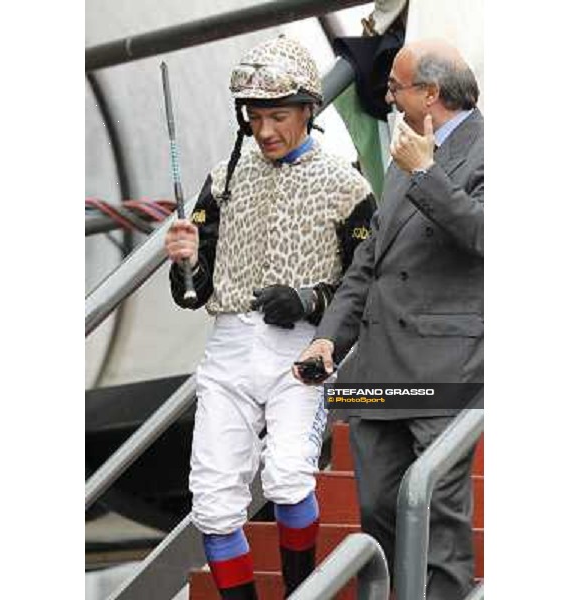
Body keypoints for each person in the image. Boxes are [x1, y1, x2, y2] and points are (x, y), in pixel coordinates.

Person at [165, 36, 376, 600]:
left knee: (286, 478)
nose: (265, 130)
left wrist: (309, 300)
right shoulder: (223, 178)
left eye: (278, 116)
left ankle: (301, 590)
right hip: (228, 349)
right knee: (212, 503)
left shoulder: (346, 185)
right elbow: (193, 293)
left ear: (308, 109)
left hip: (302, 352)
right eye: (255, 117)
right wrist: (187, 261)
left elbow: (367, 288)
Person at [294, 39, 483, 600]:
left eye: (396, 86)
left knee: (437, 520)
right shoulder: (407, 154)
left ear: (430, 92)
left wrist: (426, 173)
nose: (387, 95)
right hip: (379, 367)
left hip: (444, 365)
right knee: (377, 510)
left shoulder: (489, 147)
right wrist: (329, 340)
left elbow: (486, 235)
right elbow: (368, 264)